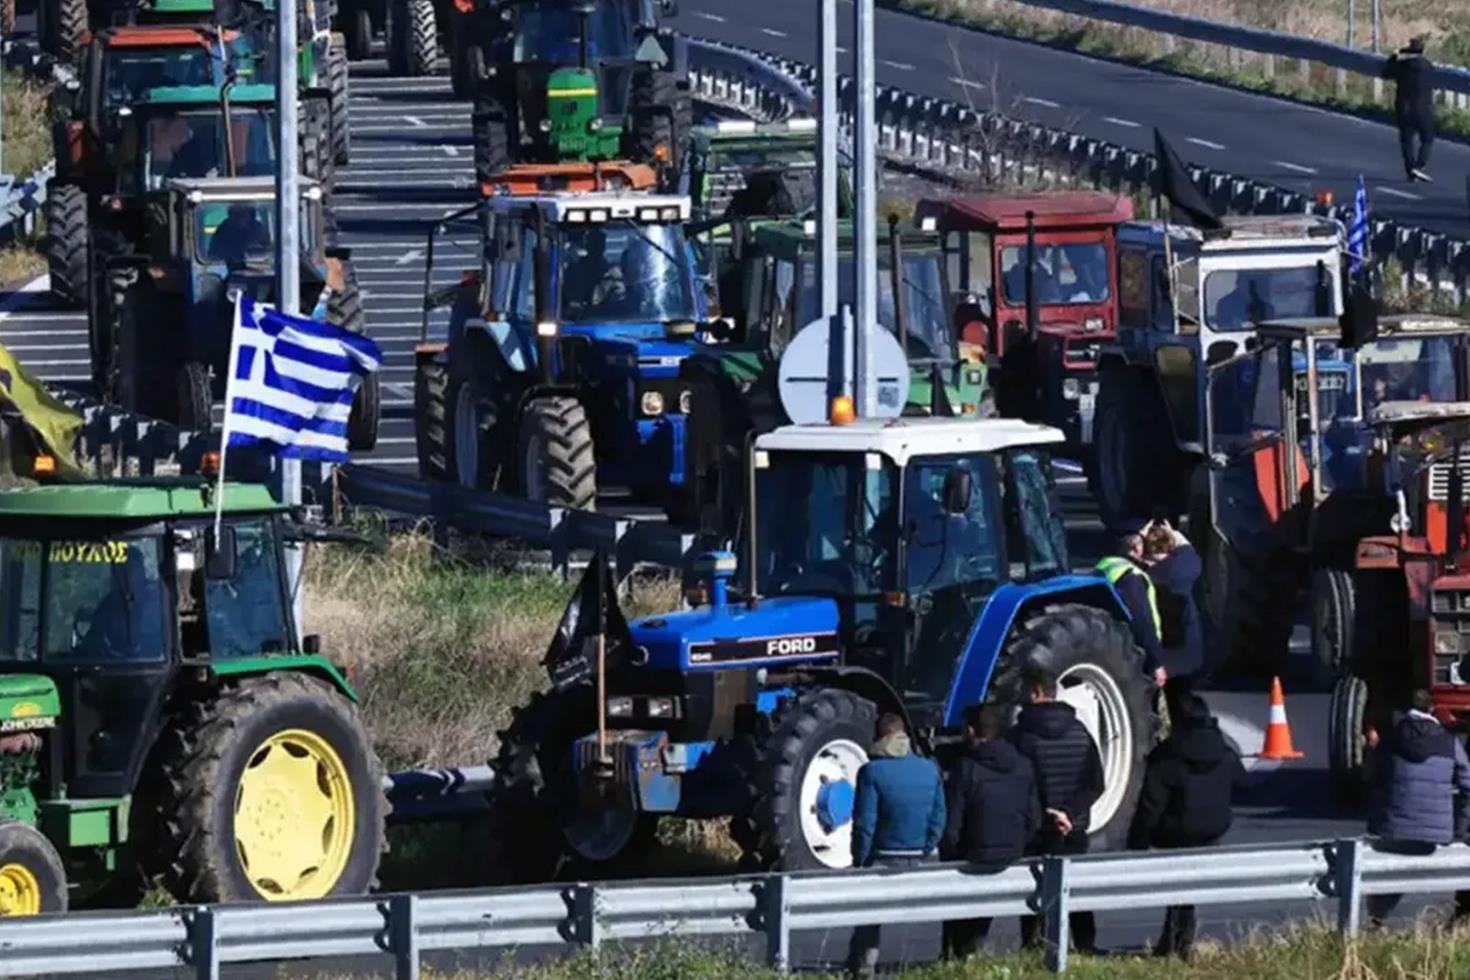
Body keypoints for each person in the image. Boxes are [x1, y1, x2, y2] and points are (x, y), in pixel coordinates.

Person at [1127, 693, 1247, 958]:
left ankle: (1173, 942)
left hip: (1175, 830)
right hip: (1212, 828)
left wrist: (1138, 841)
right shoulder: (1224, 752)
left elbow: (1151, 805)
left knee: (1177, 888)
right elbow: (1243, 784)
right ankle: (1181, 940)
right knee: (1188, 889)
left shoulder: (1166, 758)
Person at [1012, 667, 1105, 954]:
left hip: (1038, 830)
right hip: (1073, 826)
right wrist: (1068, 812)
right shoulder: (1080, 731)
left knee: (1035, 892)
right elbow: (1096, 783)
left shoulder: (1020, 735)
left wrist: (1048, 814)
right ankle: (1086, 945)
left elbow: (1021, 785)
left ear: (1036, 692)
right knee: (1075, 889)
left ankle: (1034, 945)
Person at [847, 712, 946, 980]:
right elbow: (939, 817)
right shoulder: (930, 769)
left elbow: (865, 823)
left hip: (883, 854)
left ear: (880, 736)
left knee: (869, 918)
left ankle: (863, 967)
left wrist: (861, 858)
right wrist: (927, 847)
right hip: (919, 853)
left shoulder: (871, 772)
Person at [941, 703, 1041, 960]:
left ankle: (962, 952)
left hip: (974, 853)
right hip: (1012, 852)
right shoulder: (1023, 765)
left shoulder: (966, 768)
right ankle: (972, 948)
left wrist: (950, 850)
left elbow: (953, 825)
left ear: (972, 731)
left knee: (961, 908)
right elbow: (1034, 819)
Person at [1365, 689, 1470, 928]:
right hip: (1438, 834)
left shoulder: (1391, 738)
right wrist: (1459, 831)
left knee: (1389, 872)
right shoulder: (1449, 742)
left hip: (1393, 829)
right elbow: (1468, 786)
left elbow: (1371, 776)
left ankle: (1375, 921)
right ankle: (1459, 922)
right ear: (1432, 710)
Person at [1096, 532, 1168, 688]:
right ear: (1136, 548)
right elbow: (1143, 620)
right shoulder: (1132, 577)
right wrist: (1155, 662)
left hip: (1110, 644)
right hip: (1135, 652)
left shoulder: (1104, 567)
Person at [1142, 519, 1205, 686]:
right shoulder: (1187, 565)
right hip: (1190, 654)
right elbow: (1186, 548)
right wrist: (1173, 534)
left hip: (1163, 656)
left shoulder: (1147, 575)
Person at [1383, 37, 1436, 183]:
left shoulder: (1401, 66)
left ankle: (1410, 169)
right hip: (1423, 107)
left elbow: (1386, 72)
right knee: (1427, 138)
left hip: (1404, 107)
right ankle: (1420, 164)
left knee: (1406, 140)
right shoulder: (1427, 66)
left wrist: (1397, 55)